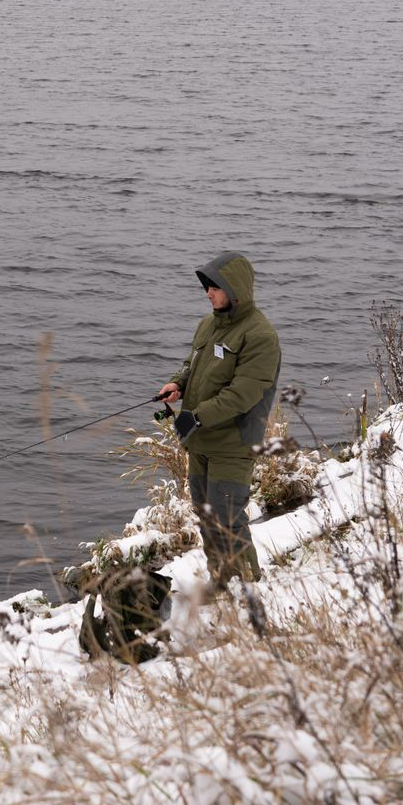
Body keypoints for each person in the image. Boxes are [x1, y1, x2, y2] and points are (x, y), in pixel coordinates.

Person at [156, 251, 280, 587]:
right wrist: (177, 385)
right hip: (201, 441)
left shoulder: (260, 336)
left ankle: (250, 589)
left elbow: (243, 394)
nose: (208, 292)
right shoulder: (208, 325)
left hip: (233, 443)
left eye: (214, 286)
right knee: (207, 515)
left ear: (235, 288)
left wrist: (196, 417)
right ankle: (223, 582)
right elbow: (191, 364)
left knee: (228, 519)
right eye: (206, 286)